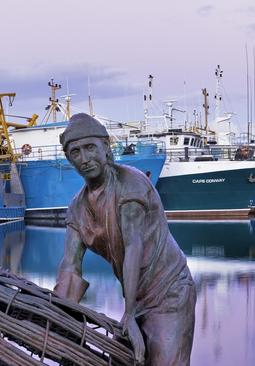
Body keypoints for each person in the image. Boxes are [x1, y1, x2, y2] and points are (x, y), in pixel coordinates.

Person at [53, 113, 196, 365]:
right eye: (75, 152)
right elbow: (70, 265)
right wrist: (59, 317)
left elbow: (133, 245)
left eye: (90, 148)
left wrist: (128, 314)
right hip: (136, 297)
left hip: (169, 291)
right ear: (69, 159)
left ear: (106, 148)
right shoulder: (77, 208)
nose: (85, 159)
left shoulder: (131, 184)